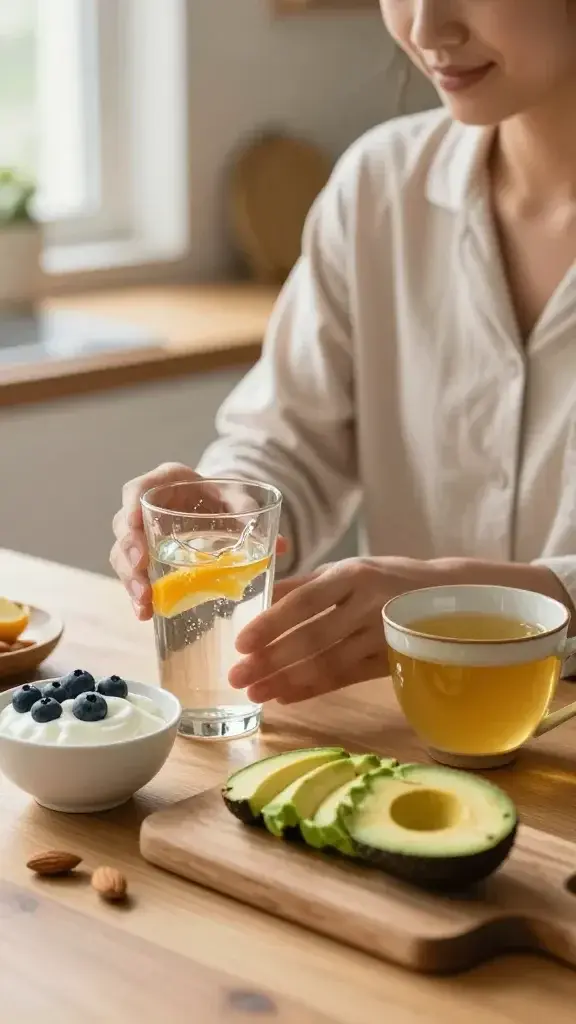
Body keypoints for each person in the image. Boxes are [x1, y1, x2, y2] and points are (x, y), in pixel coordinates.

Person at [111, 0, 576, 707]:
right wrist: (235, 506)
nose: (424, 30)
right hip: (408, 747)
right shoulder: (378, 188)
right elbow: (287, 443)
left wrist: (507, 603)